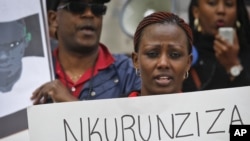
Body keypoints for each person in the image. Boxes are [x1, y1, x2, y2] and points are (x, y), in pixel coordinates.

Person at [31, 0, 141, 104]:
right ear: (53, 19)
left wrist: (70, 103)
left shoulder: (131, 73)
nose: (89, 14)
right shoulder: (31, 73)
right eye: (77, 7)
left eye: (97, 8)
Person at [182, 0, 250, 92]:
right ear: (196, 11)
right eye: (212, 3)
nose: (221, 10)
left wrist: (233, 65)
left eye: (229, 4)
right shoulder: (185, 55)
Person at [129, 11, 193, 96]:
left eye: (175, 55)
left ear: (188, 63)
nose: (163, 63)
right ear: (136, 60)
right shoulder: (114, 108)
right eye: (152, 54)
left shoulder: (201, 107)